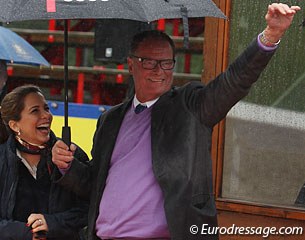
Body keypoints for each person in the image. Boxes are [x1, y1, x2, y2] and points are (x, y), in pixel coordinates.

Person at [51, 3, 301, 240]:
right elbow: (95, 185)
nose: (159, 70)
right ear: (130, 64)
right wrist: (67, 167)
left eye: (167, 63)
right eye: (149, 62)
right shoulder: (110, 120)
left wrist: (271, 35)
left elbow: (235, 81)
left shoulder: (190, 106)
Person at [0, 85, 89, 240]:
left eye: (46, 109)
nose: (46, 116)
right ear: (15, 125)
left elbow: (91, 207)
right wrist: (25, 232)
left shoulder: (72, 154)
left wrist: (53, 223)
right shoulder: (2, 158)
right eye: (35, 110)